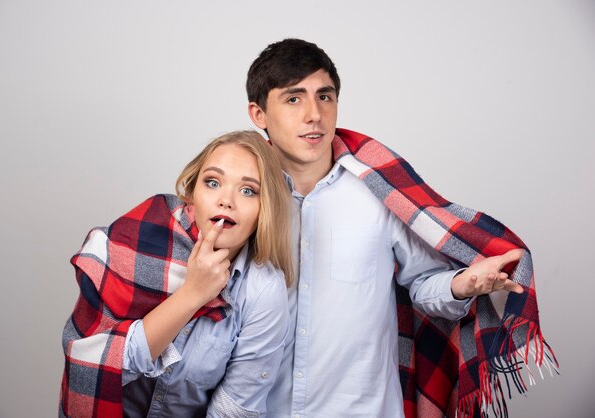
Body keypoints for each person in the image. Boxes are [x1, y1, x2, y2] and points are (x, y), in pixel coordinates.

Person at [245, 39, 557, 418]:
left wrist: (461, 285)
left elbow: (423, 285)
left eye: (324, 96)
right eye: (293, 99)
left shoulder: (379, 191)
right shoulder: (240, 198)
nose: (314, 114)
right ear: (259, 114)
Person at [60, 130, 294, 417]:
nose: (226, 200)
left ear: (265, 208)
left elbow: (233, 410)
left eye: (248, 191)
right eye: (213, 182)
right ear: (193, 194)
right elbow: (100, 367)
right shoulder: (143, 238)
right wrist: (193, 294)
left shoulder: (263, 290)